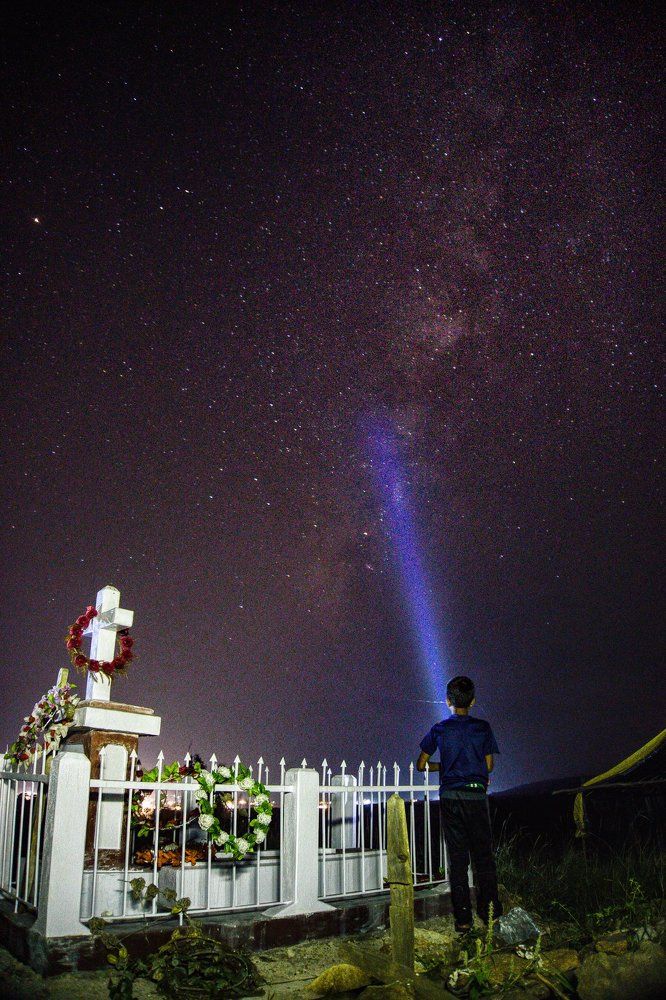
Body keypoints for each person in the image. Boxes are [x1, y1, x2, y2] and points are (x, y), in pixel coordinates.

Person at [417, 675, 502, 933]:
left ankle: (462, 920)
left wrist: (445, 767)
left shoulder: (439, 729)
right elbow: (488, 765)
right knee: (483, 858)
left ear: (448, 701)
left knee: (458, 860)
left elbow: (421, 764)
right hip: (476, 797)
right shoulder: (483, 728)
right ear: (473, 701)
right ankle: (491, 914)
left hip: (451, 798)